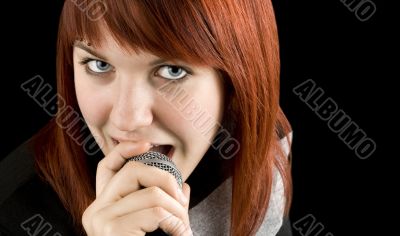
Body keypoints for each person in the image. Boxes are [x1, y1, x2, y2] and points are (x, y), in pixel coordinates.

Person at [0, 0, 293, 235]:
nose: (127, 120)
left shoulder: (262, 152)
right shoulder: (15, 210)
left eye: (172, 71)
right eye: (99, 64)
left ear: (235, 82)